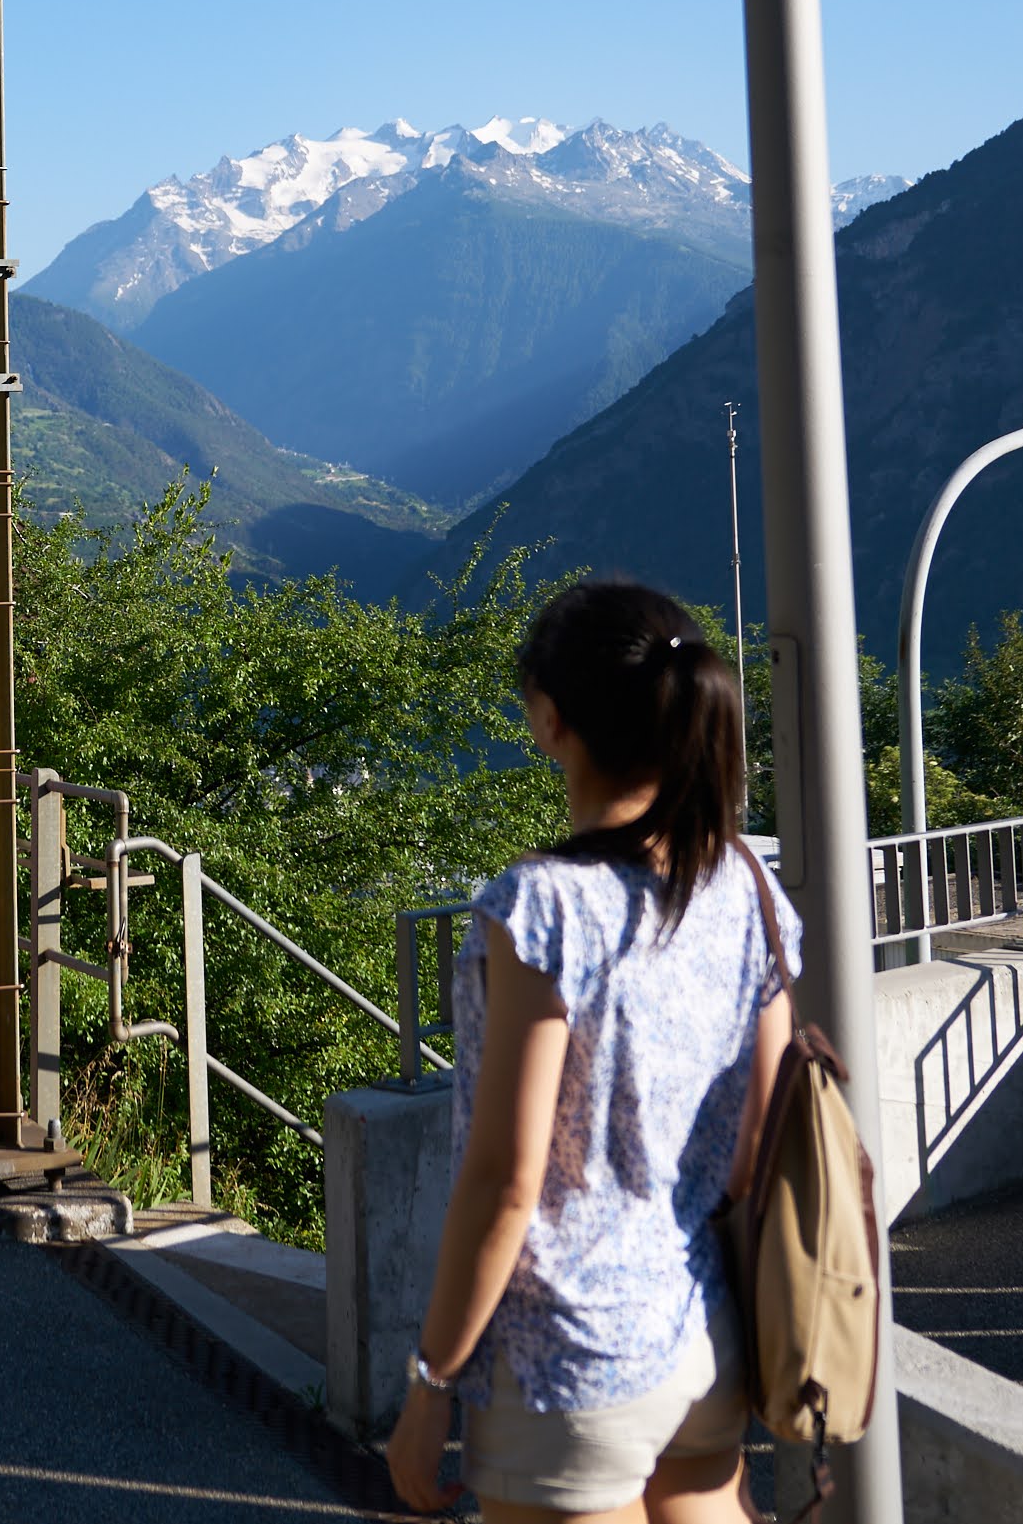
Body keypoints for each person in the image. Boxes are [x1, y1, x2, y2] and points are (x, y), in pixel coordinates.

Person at [389, 579, 800, 1524]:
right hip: (703, 1336)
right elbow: (755, 1148)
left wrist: (431, 1383)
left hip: (568, 1365)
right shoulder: (746, 886)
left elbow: (507, 1180)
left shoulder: (542, 907)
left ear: (549, 719)